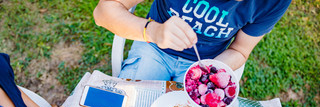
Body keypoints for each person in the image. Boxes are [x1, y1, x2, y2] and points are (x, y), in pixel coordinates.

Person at [93, 0, 292, 82]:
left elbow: (240, 50)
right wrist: (153, 31)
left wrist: (210, 71)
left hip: (207, 63)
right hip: (153, 49)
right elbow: (103, 12)